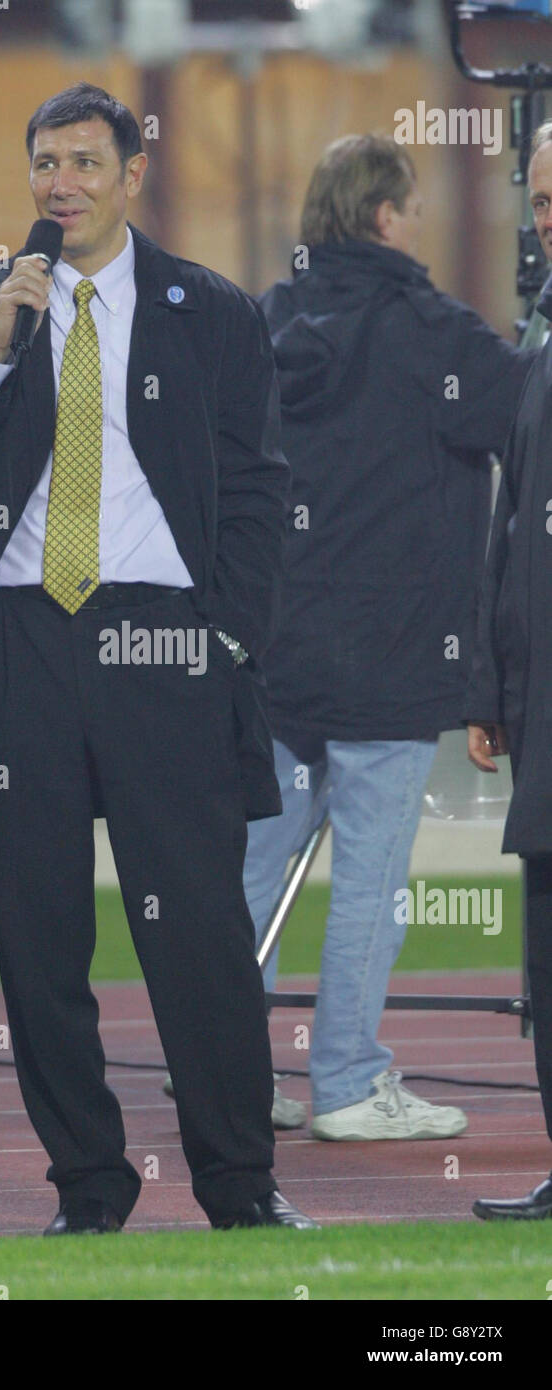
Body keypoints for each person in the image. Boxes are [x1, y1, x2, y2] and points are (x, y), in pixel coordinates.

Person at [0, 83, 318, 1233]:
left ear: (132, 174)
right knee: (37, 941)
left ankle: (240, 1188)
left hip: (163, 639)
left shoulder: (210, 312)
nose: (60, 184)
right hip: (19, 647)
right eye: (44, 163)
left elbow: (261, 490)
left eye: (84, 161)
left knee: (201, 939)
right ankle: (89, 1187)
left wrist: (227, 635)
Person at [241, 135, 535, 1141]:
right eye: (411, 209)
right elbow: (525, 418)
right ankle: (350, 1081)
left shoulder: (267, 320)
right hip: (398, 652)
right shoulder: (431, 329)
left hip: (277, 649)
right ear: (382, 218)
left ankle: (227, 1072)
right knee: (370, 881)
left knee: (252, 869)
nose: (420, 225)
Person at [466, 119, 552, 1221]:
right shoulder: (540, 333)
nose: (549, 218)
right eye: (539, 199)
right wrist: (489, 682)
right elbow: (512, 515)